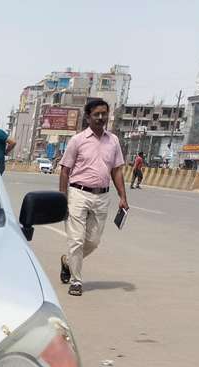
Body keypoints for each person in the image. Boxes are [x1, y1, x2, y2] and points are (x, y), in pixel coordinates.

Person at [57, 98, 129, 297]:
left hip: (102, 196)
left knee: (94, 241)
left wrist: (123, 196)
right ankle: (76, 281)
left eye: (104, 114)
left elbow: (117, 170)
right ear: (88, 117)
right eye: (96, 114)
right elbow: (65, 170)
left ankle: (67, 261)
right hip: (78, 194)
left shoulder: (113, 140)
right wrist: (62, 198)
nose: (100, 117)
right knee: (77, 240)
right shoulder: (77, 140)